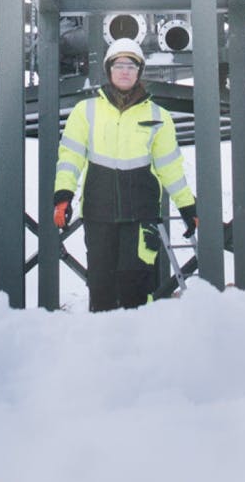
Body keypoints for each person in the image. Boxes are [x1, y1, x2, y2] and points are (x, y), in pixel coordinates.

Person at [53, 38, 196, 312]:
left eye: (132, 65)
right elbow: (70, 157)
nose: (125, 71)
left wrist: (187, 205)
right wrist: (63, 195)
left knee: (136, 286)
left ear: (139, 71)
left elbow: (170, 167)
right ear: (109, 70)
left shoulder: (159, 116)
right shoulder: (87, 111)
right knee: (101, 288)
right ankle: (103, 349)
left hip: (141, 217)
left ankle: (139, 349)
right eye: (119, 65)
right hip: (99, 215)